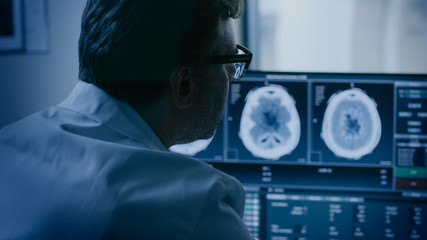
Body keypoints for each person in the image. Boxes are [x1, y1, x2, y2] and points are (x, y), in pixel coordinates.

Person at [0, 0, 253, 239]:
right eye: (229, 63)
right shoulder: (196, 206)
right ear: (184, 85)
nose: (230, 77)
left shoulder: (7, 145)